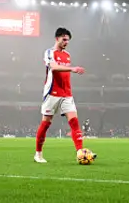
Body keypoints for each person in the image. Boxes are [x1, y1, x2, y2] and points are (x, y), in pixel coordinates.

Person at [34, 27, 94, 163]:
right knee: (46, 124)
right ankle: (38, 154)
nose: (66, 42)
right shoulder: (49, 52)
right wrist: (73, 68)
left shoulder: (67, 55)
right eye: (64, 39)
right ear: (57, 38)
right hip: (52, 93)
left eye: (68, 40)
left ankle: (81, 152)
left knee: (75, 123)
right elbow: (54, 67)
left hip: (67, 94)